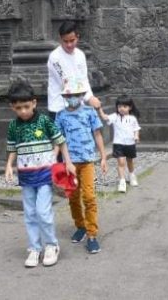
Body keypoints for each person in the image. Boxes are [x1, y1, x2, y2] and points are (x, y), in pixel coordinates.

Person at [4, 80, 76, 268]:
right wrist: (9, 166)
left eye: (26, 106)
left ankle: (51, 245)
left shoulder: (44, 121)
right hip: (26, 177)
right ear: (12, 107)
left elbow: (60, 140)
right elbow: (12, 148)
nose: (23, 111)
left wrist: (67, 162)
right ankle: (34, 247)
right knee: (29, 213)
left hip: (44, 175)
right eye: (18, 108)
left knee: (43, 212)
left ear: (34, 103)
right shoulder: (13, 126)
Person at [54, 77, 107, 254]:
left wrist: (103, 156)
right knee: (73, 197)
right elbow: (58, 139)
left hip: (87, 162)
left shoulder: (90, 112)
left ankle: (92, 234)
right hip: (69, 163)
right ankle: (81, 226)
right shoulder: (60, 115)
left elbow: (98, 134)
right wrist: (55, 159)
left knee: (89, 196)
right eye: (69, 95)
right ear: (64, 97)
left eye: (76, 95)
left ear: (82, 95)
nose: (72, 98)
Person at [47, 21, 102, 120]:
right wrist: (88, 98)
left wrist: (91, 97)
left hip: (78, 107)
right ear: (60, 39)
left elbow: (83, 80)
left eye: (72, 40)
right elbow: (66, 82)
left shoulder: (80, 55)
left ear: (77, 37)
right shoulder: (54, 57)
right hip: (58, 108)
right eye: (65, 41)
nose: (69, 45)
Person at [98, 95, 141, 192]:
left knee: (130, 161)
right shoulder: (115, 117)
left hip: (130, 143)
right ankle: (122, 181)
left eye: (124, 106)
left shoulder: (132, 118)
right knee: (121, 162)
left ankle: (131, 175)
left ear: (130, 107)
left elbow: (136, 129)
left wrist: (136, 136)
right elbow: (105, 117)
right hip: (118, 143)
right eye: (119, 106)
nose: (121, 108)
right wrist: (99, 108)